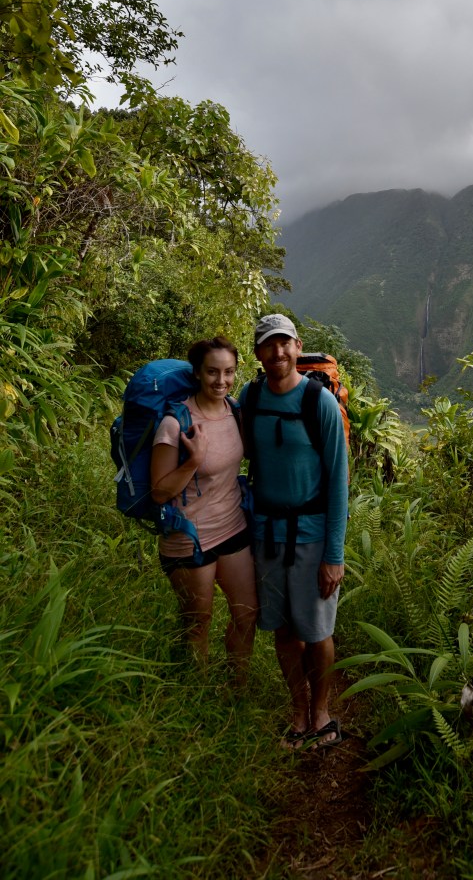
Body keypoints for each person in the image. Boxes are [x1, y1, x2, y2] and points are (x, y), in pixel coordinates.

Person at [243, 313, 348, 750]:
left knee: (317, 631)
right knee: (283, 630)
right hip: (266, 535)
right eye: (269, 344)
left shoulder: (317, 402)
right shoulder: (250, 399)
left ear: (297, 345)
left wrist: (334, 554)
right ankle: (298, 710)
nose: (278, 352)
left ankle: (322, 712)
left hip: (311, 535)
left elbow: (339, 478)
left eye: (284, 343)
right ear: (259, 354)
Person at [150, 335, 257, 685]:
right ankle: (196, 698)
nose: (221, 381)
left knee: (247, 614)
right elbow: (159, 492)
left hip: (233, 528)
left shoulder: (235, 411)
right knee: (198, 623)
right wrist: (193, 460)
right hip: (188, 537)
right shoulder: (175, 423)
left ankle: (236, 691)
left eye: (228, 372)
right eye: (212, 372)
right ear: (197, 373)